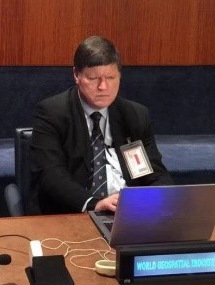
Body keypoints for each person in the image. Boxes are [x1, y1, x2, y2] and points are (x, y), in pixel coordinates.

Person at [29, 36, 173, 215]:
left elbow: (154, 173)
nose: (103, 87)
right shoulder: (52, 113)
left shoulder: (135, 115)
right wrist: (94, 204)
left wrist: (160, 199)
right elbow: (51, 175)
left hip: (127, 212)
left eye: (111, 77)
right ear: (76, 75)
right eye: (93, 78)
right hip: (73, 212)